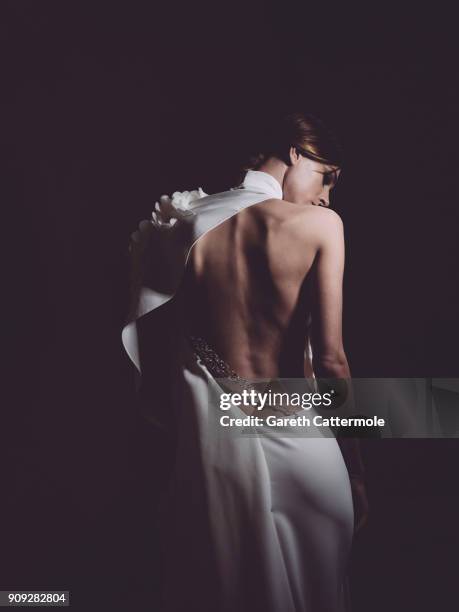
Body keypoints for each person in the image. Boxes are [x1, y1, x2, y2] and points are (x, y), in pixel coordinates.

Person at [122, 111, 369, 612]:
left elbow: (168, 352)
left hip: (219, 459)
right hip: (306, 455)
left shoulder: (185, 226)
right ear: (296, 152)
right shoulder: (322, 226)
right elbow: (331, 360)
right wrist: (357, 469)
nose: (326, 196)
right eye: (326, 178)